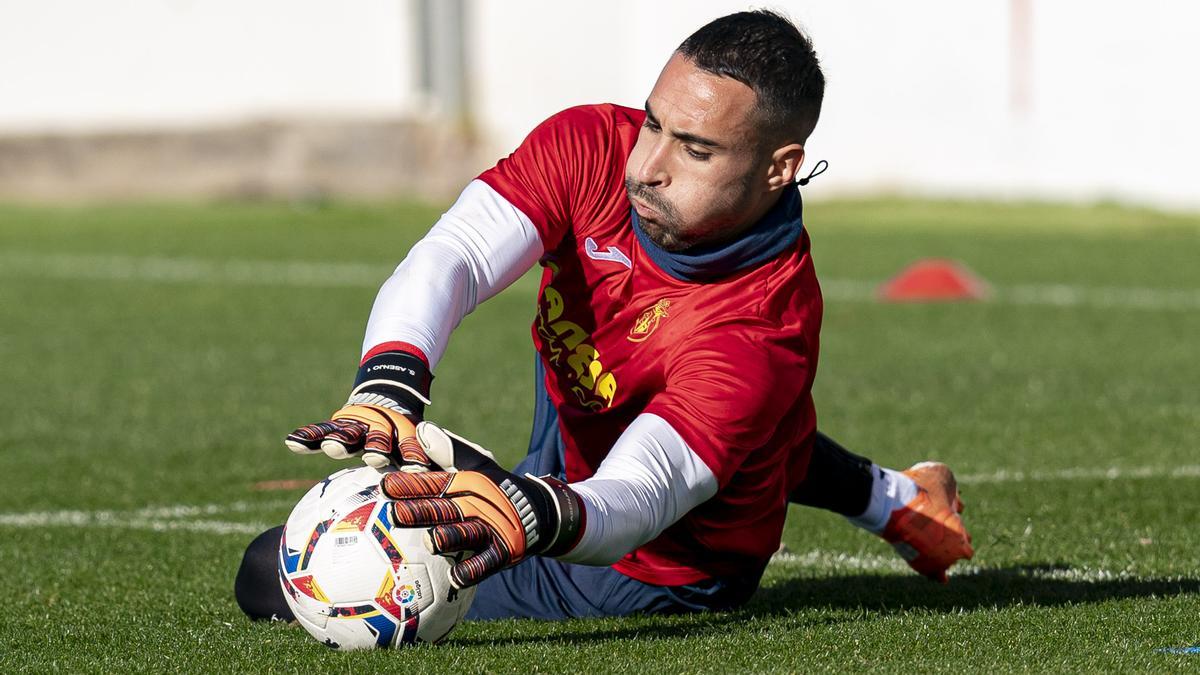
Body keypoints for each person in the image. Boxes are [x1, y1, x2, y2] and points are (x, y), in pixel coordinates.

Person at [235, 9, 973, 623]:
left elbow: (640, 493)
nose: (648, 165)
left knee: (269, 572)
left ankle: (894, 501)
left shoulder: (761, 331)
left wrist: (530, 511)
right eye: (655, 124)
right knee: (670, 394)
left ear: (779, 168)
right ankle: (901, 501)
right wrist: (388, 385)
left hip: (653, 561)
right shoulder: (592, 145)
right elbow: (455, 253)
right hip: (579, 423)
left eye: (695, 149)